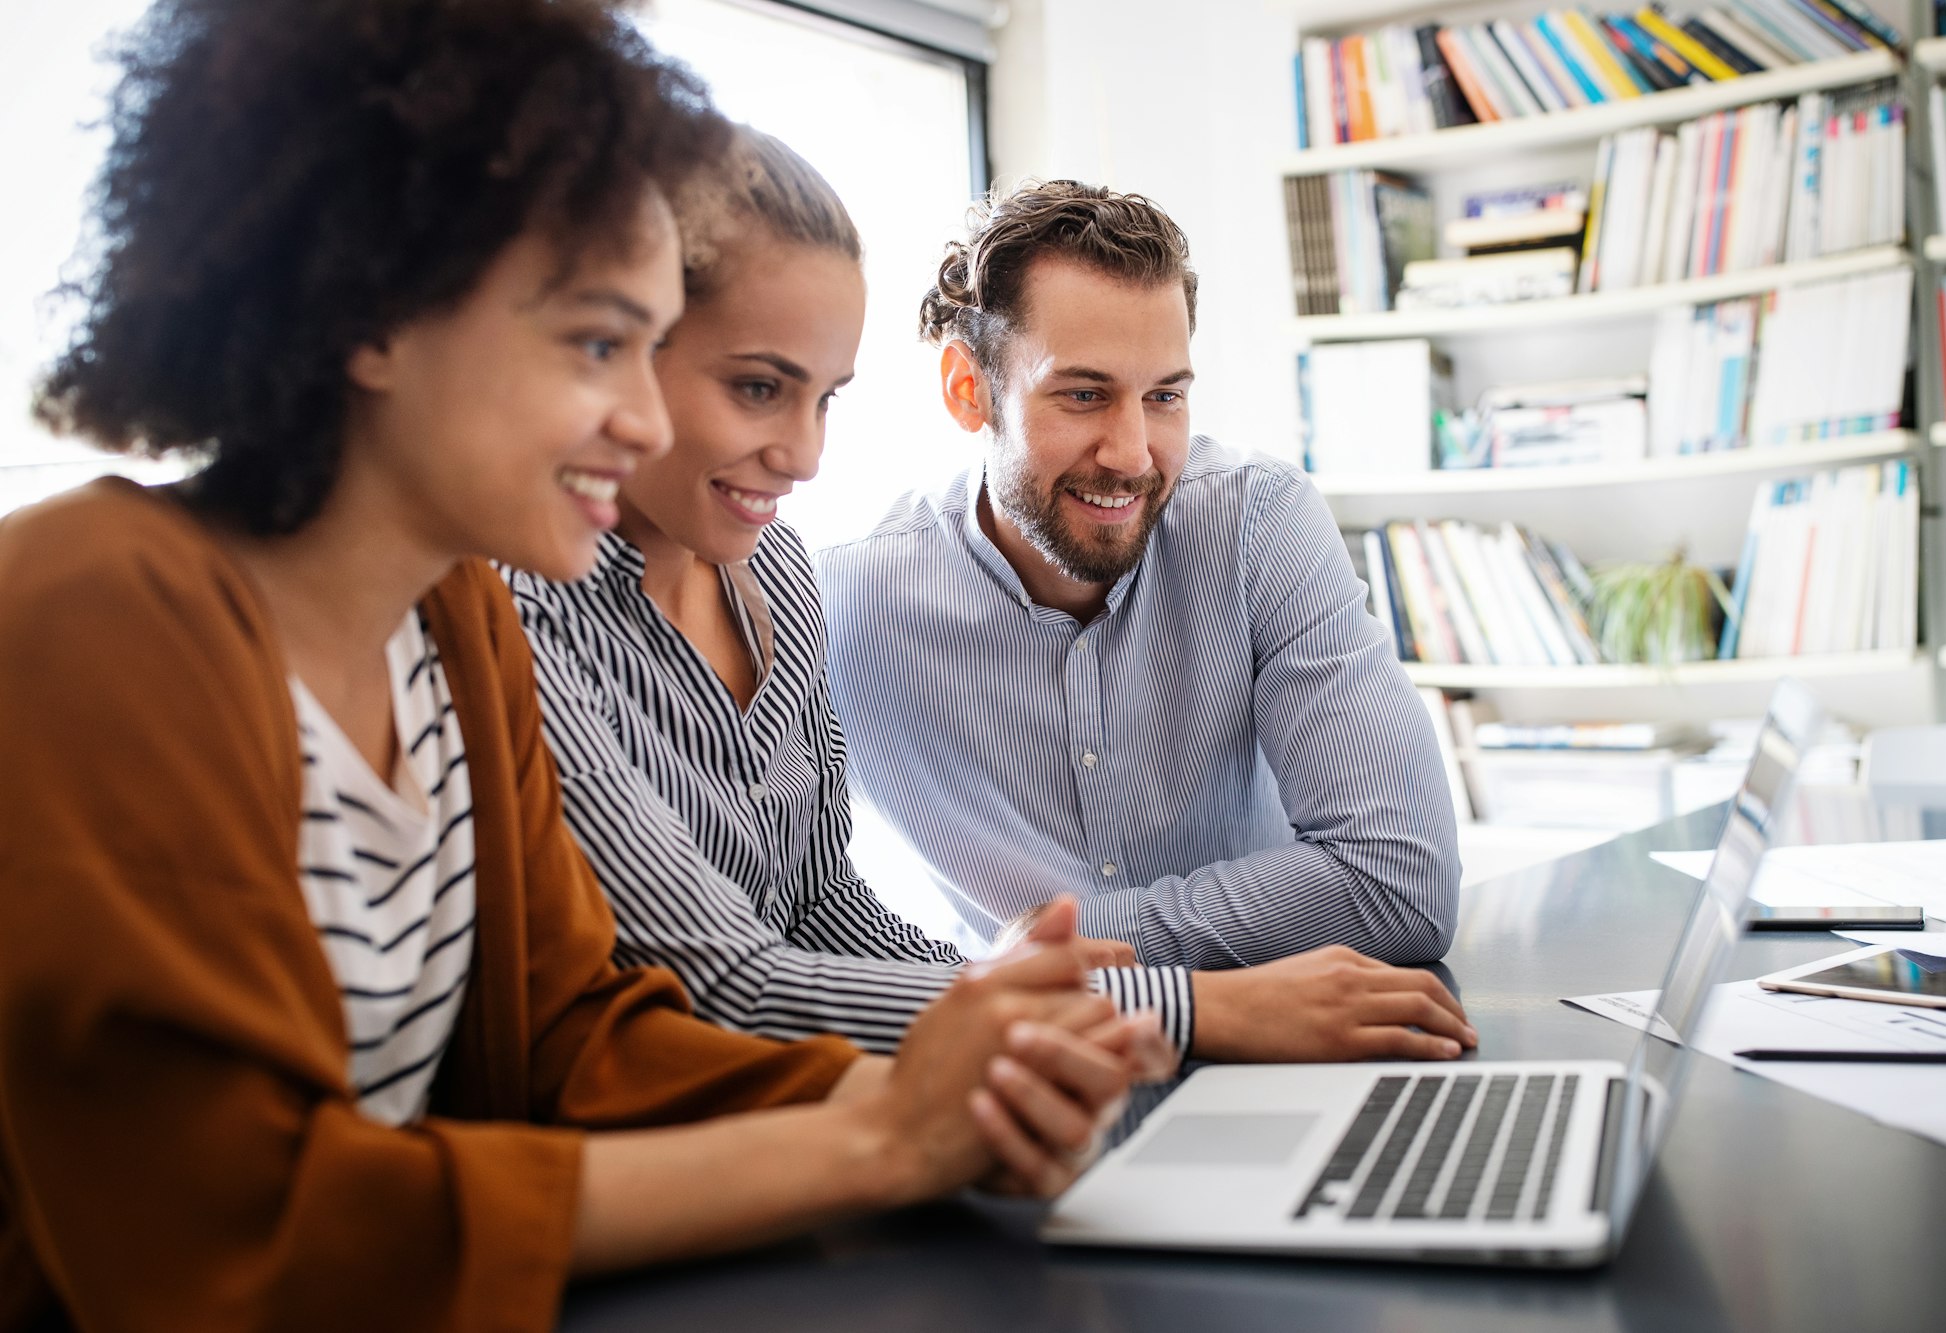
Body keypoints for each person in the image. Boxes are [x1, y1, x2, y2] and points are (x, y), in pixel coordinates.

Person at [0, 8, 1160, 1329]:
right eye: (599, 345)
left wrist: (946, 1091)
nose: (648, 418)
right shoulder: (88, 607)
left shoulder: (453, 623)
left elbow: (573, 1035)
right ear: (375, 310)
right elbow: (232, 1234)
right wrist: (879, 1141)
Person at [506, 126, 1199, 1058]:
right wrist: (1179, 1011)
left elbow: (824, 901)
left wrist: (995, 987)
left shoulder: (783, 578)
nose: (804, 456)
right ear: (620, 352)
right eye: (758, 388)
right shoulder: (524, 616)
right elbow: (721, 983)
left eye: (826, 398)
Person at [816, 180, 1475, 1063]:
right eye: (1084, 395)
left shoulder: (1257, 521)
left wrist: (1077, 951)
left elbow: (1401, 880)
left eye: (1164, 396)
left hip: (1278, 1052)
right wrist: (1190, 991)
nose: (1132, 455)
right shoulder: (839, 606)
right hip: (1021, 1078)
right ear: (969, 389)